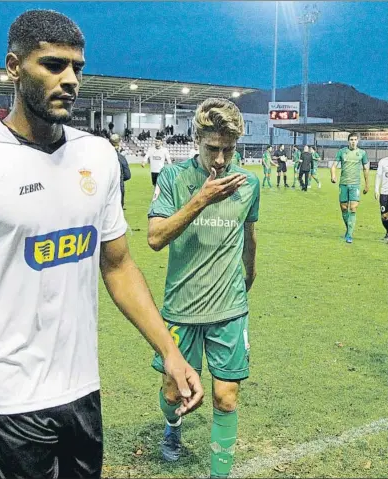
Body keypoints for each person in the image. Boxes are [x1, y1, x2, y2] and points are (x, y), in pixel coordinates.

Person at [0, 10, 204, 479]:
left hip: (82, 389)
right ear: (14, 66)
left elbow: (118, 266)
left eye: (77, 68)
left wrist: (170, 351)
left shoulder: (98, 157)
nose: (70, 80)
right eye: (53, 65)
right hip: (10, 396)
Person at [147, 98, 259, 478]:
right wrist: (201, 199)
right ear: (197, 140)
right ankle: (173, 426)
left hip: (229, 307)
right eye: (213, 148)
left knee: (226, 397)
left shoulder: (249, 183)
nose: (221, 159)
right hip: (182, 308)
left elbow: (249, 234)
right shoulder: (174, 179)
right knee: (172, 393)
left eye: (229, 149)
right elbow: (155, 238)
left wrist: (249, 271)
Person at [331, 133, 370, 243]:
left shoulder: (362, 153)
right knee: (344, 208)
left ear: (358, 141)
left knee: (353, 208)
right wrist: (333, 176)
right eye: (351, 139)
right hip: (343, 184)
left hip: (355, 185)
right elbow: (334, 166)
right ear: (348, 141)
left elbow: (366, 169)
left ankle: (349, 235)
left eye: (355, 140)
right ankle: (349, 229)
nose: (353, 141)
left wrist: (367, 185)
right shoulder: (342, 151)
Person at [110, 133, 131, 208]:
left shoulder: (103, 156)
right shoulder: (121, 158)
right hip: (118, 186)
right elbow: (128, 175)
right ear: (119, 143)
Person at [374, 156, 388, 241]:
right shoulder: (383, 161)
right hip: (384, 193)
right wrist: (376, 190)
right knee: (384, 216)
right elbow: (378, 176)